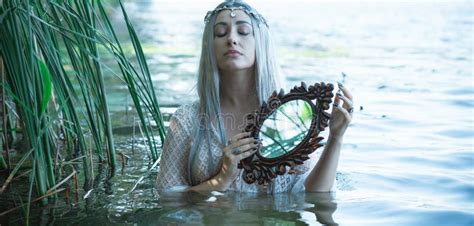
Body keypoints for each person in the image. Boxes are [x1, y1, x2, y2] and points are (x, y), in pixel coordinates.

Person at [156, 0, 353, 193]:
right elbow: (168, 199)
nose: (232, 39)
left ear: (261, 43)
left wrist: (336, 137)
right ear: (210, 47)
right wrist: (221, 179)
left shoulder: (288, 115)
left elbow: (315, 194)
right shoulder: (186, 119)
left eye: (243, 31)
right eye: (220, 33)